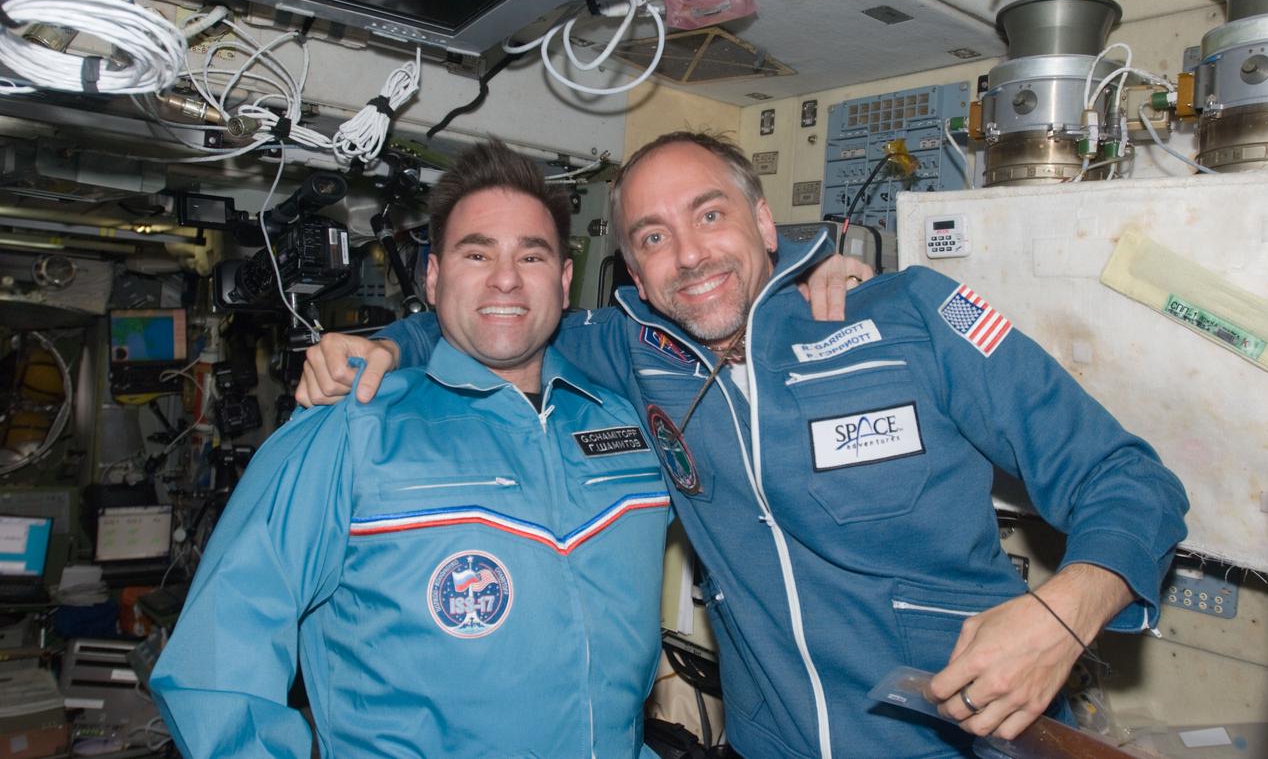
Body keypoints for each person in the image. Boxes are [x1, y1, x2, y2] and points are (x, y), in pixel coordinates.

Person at [299, 132, 1190, 759]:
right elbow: (496, 318)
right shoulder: (630, 351)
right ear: (633, 272)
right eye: (653, 238)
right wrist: (385, 344)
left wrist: (1065, 613)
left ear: (764, 222)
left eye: (710, 215)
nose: (688, 255)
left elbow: (1130, 480)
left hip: (972, 740)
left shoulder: (911, 315)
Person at [151, 141, 675, 759]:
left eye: (530, 255)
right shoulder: (351, 431)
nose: (505, 277)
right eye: (476, 253)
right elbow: (217, 665)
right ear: (432, 278)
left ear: (564, 282)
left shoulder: (631, 429)